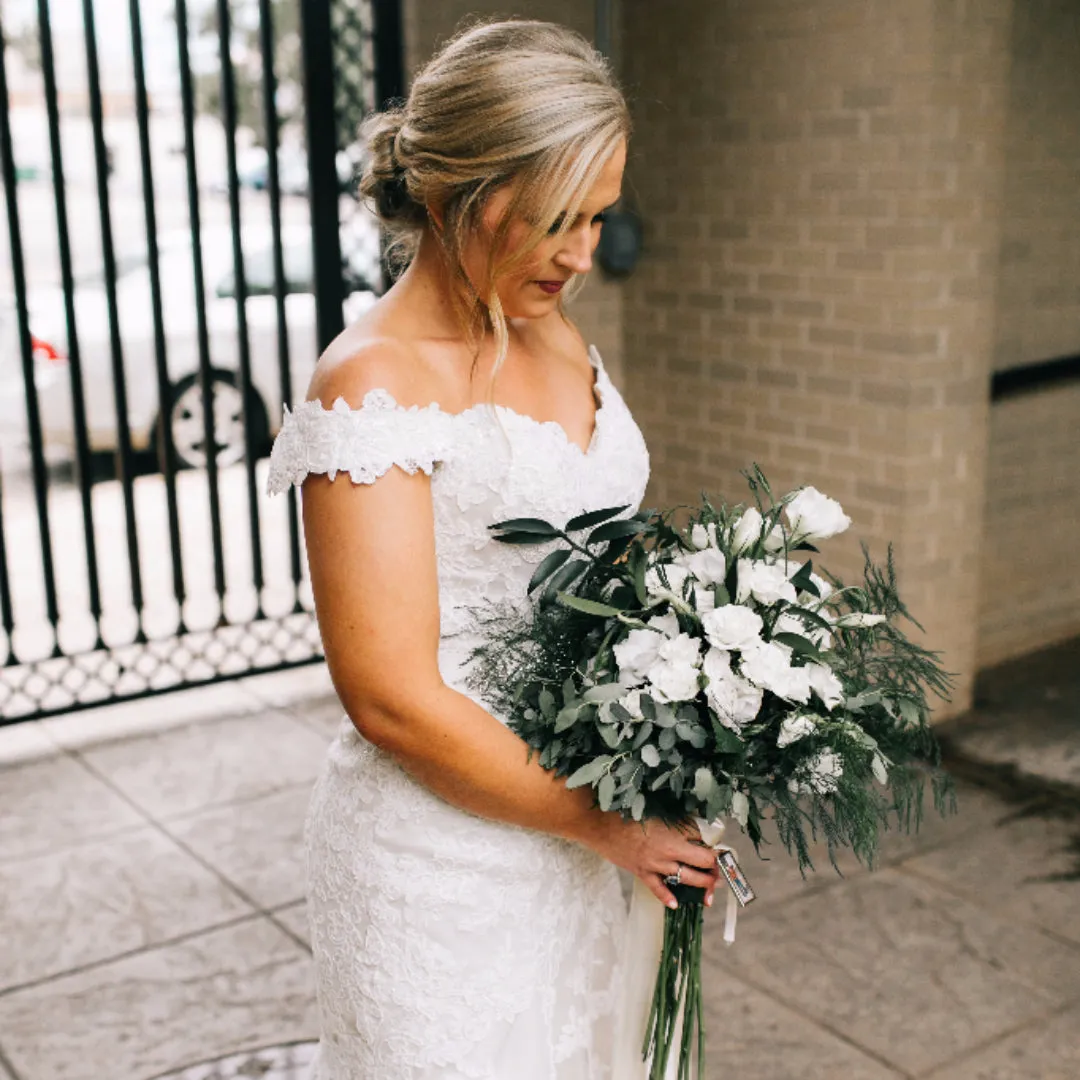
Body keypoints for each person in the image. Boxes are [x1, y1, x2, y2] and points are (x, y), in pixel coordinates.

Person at [267, 18, 720, 1080]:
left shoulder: (553, 328)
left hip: (586, 837)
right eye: (556, 218)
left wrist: (688, 710)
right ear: (454, 192)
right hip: (438, 870)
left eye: (600, 218)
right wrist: (603, 824)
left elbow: (600, 568)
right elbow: (388, 697)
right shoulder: (372, 381)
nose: (580, 253)